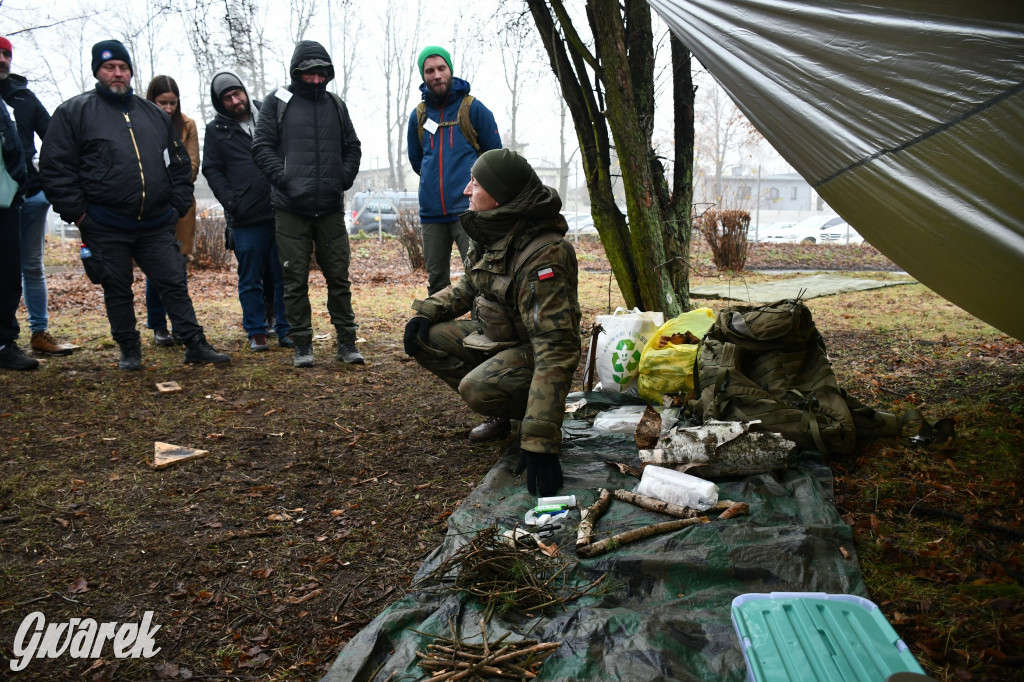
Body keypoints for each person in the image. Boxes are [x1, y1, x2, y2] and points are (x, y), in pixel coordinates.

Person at [38, 39, 229, 370]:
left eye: (123, 68)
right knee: (117, 287)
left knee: (173, 283)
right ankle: (129, 349)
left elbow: (180, 165)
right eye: (109, 67)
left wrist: (175, 207)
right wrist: (81, 215)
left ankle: (195, 343)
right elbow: (55, 168)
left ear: (130, 72)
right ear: (98, 72)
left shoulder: (152, 114)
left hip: (155, 222)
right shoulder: (75, 113)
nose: (117, 74)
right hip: (105, 223)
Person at [402, 149, 581, 496]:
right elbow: (471, 284)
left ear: (500, 194)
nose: (467, 191)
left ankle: (525, 416)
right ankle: (504, 413)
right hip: (499, 338)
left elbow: (555, 349)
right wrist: (426, 312)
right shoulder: (491, 228)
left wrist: (541, 439)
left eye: (476, 183)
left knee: (477, 388)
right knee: (428, 338)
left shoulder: (544, 253)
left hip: (533, 352)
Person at [252, 40, 363, 368]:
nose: (315, 80)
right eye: (309, 73)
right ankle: (303, 344)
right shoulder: (278, 101)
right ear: (296, 72)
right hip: (290, 209)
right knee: (294, 280)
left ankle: (347, 342)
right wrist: (286, 179)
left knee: (339, 278)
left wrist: (341, 178)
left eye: (321, 74)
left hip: (329, 208)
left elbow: (353, 146)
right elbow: (261, 146)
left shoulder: (335, 105)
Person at [202, 71, 291, 352]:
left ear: (243, 90)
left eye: (237, 92)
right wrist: (231, 201)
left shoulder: (268, 113)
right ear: (220, 103)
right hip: (245, 218)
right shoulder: (216, 130)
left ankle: (286, 328)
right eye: (227, 97)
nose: (235, 100)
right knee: (250, 278)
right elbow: (211, 169)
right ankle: (256, 330)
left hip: (279, 210)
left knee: (283, 275)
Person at [0, 35, 75, 357]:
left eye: (6, 55)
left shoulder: (24, 98)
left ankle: (39, 333)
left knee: (31, 265)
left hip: (29, 195)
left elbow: (55, 139)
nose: (2, 60)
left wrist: (46, 181)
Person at [407, 46, 501, 296]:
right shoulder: (419, 115)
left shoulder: (474, 109)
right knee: (437, 282)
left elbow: (494, 159)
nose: (436, 75)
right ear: (423, 76)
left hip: (469, 213)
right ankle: (438, 334)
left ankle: (482, 331)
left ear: (450, 70)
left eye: (441, 68)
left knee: (479, 277)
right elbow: (417, 162)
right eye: (429, 71)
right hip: (431, 216)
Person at [143, 75, 199, 348]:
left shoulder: (188, 125)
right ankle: (158, 325)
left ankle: (181, 326)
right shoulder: (139, 123)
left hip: (180, 207)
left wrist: (174, 196)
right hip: (150, 207)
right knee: (156, 269)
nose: (167, 109)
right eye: (162, 102)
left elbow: (190, 166)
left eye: (172, 103)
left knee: (177, 267)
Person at [0, 94, 35, 370]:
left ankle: (4, 343)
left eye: (6, 54)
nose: (2, 59)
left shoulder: (13, 101)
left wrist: (19, 184)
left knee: (9, 273)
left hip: (7, 201)